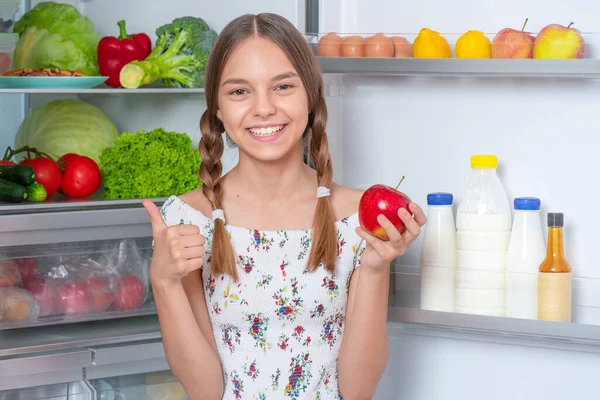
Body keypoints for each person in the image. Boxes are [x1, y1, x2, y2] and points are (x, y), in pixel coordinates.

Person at [142, 13, 426, 400]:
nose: (263, 108)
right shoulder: (188, 221)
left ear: (310, 97)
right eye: (240, 92)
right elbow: (205, 391)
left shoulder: (355, 218)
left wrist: (376, 269)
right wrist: (163, 280)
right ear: (218, 111)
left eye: (283, 86)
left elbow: (357, 391)